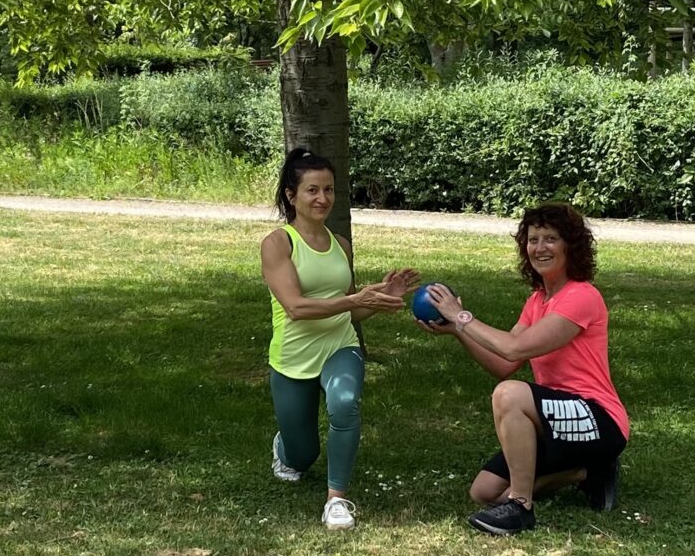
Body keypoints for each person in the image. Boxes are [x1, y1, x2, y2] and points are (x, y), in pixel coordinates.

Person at [420, 202, 629, 536]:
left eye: (551, 239)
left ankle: (520, 507)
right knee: (485, 492)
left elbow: (514, 348)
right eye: (533, 240)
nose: (540, 247)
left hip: (598, 420)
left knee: (510, 395)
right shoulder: (537, 301)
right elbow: (504, 364)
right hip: (556, 418)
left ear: (570, 246)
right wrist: (458, 331)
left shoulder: (582, 297)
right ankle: (587, 473)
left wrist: (461, 316)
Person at [261, 147, 419, 530]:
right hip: (293, 357)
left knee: (345, 404)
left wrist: (379, 298)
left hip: (340, 346)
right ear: (291, 195)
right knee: (302, 456)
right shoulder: (278, 244)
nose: (322, 198)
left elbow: (349, 311)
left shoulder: (341, 244)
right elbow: (296, 307)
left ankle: (336, 500)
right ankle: (286, 447)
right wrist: (355, 298)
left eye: (329, 189)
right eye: (312, 190)